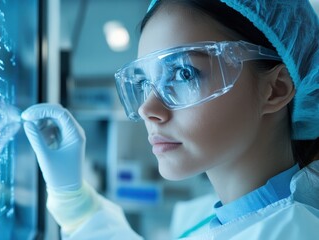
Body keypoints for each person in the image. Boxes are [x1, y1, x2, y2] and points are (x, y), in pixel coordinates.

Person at [21, 0, 319, 239]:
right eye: (144, 83)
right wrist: (77, 204)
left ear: (275, 89)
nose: (147, 109)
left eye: (184, 74)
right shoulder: (227, 217)